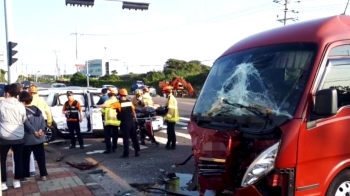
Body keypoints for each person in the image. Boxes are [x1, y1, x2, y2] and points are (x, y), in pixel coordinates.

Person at [0, 84, 36, 190]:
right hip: (19, 137)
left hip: (4, 137)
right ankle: (17, 182)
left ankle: (3, 183)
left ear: (7, 93)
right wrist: (33, 131)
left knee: (2, 161)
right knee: (18, 160)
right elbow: (25, 121)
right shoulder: (21, 106)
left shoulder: (1, 105)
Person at [19, 91, 48, 182]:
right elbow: (43, 121)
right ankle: (43, 175)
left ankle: (26, 176)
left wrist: (34, 132)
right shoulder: (37, 109)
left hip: (28, 138)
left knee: (25, 158)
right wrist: (41, 130)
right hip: (39, 138)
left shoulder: (22, 110)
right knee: (41, 158)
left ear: (22, 100)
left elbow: (26, 123)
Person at [110, 89, 140, 158]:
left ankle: (126, 154)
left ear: (119, 95)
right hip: (131, 122)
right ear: (126, 95)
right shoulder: (129, 102)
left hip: (124, 123)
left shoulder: (118, 103)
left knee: (126, 138)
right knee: (134, 137)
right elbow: (133, 112)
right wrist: (135, 120)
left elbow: (110, 106)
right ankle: (137, 151)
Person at [98, 88, 120, 154]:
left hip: (108, 121)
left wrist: (104, 112)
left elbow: (102, 111)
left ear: (109, 95)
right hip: (116, 121)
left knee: (107, 136)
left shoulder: (107, 102)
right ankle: (114, 147)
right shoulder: (118, 102)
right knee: (115, 135)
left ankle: (108, 149)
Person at [163, 86, 179, 150]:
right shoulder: (169, 97)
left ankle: (173, 145)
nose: (164, 93)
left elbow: (171, 110)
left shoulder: (171, 99)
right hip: (171, 118)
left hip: (171, 118)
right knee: (169, 131)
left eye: (164, 92)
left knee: (171, 132)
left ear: (167, 92)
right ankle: (169, 143)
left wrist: (167, 118)